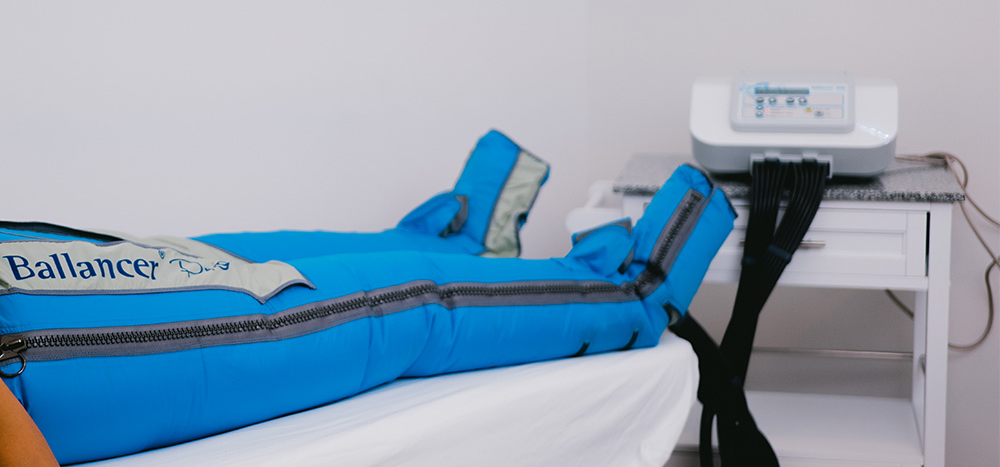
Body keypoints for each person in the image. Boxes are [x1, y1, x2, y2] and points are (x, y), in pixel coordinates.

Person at [0, 130, 735, 465]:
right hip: (35, 370)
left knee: (241, 257)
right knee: (402, 309)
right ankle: (632, 291)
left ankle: (447, 241)